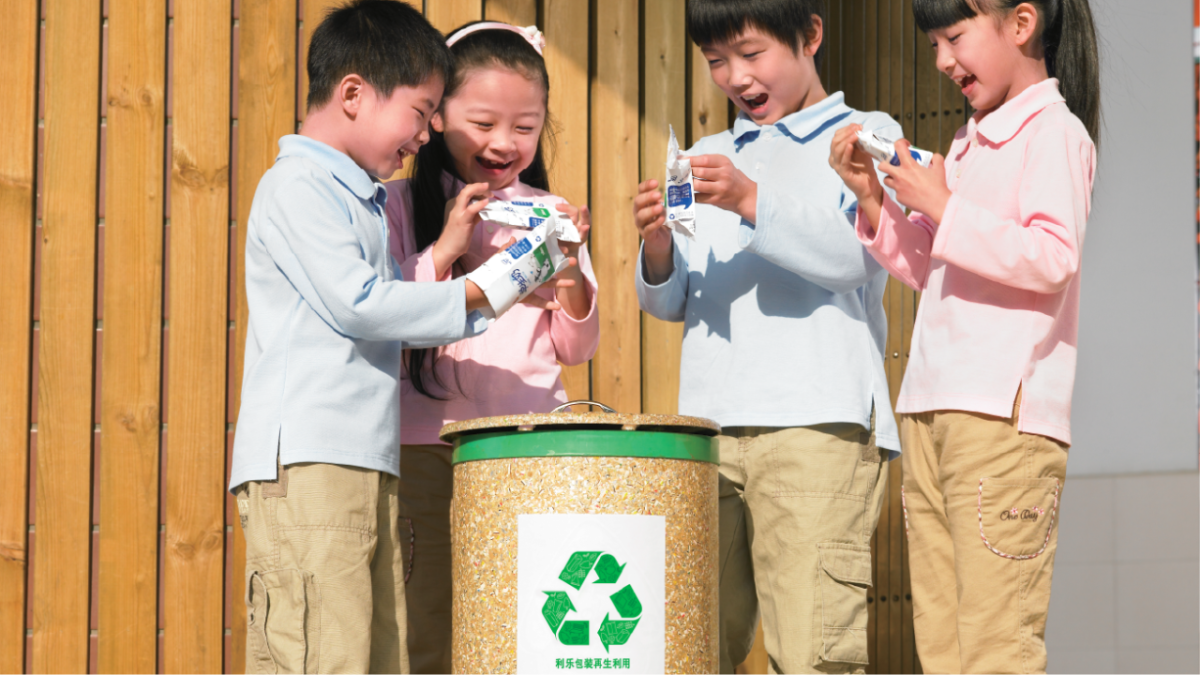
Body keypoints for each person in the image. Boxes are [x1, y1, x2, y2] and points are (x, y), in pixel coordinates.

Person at [228, 3, 575, 674]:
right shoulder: (298, 185)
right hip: (308, 461)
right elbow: (360, 304)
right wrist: (481, 289)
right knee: (320, 653)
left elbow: (392, 303)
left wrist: (504, 274)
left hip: (361, 457)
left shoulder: (356, 194)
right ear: (354, 94)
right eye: (419, 113)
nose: (423, 136)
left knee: (372, 650)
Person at [632, 1, 903, 673]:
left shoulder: (866, 131)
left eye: (751, 54)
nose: (735, 77)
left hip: (820, 425)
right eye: (716, 60)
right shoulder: (705, 155)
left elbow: (856, 257)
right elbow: (670, 302)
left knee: (814, 651)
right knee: (691, 646)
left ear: (811, 33)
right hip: (708, 430)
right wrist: (657, 245)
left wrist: (752, 199)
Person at [828, 0, 1099, 672]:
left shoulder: (1053, 131)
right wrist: (874, 200)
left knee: (995, 646)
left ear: (1021, 23)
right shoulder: (968, 139)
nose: (944, 60)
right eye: (933, 44)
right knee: (944, 648)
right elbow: (935, 264)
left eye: (954, 36)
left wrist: (943, 204)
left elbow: (1051, 257)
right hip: (932, 409)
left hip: (1001, 421)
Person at [383, 21, 600, 675]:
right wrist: (447, 249)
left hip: (526, 442)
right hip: (424, 449)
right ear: (437, 111)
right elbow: (391, 320)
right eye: (483, 122)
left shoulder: (550, 210)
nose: (505, 143)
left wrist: (568, 279)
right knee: (424, 627)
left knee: (528, 627)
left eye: (525, 127)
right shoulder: (397, 205)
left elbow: (575, 343)